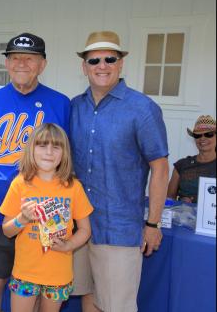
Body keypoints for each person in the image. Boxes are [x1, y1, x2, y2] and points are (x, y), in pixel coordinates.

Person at [0, 32, 70, 312]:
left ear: (43, 64)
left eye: (30, 58)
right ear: (7, 64)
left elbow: (69, 163)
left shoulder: (61, 104)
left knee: (36, 285)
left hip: (45, 211)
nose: (22, 63)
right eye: (15, 58)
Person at [70, 30, 169, 312]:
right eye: (94, 60)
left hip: (119, 230)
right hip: (78, 227)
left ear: (121, 63)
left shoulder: (143, 109)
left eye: (110, 58)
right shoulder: (74, 107)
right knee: (87, 296)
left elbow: (160, 169)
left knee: (116, 306)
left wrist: (153, 224)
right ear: (84, 66)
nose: (102, 65)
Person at [0, 123, 93, 312]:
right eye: (42, 145)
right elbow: (7, 230)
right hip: (25, 272)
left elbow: (85, 230)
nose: (49, 152)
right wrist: (22, 219)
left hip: (58, 274)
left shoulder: (73, 187)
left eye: (56, 147)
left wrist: (69, 245)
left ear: (64, 152)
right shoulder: (20, 184)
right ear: (31, 149)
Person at [167, 115, 216, 203]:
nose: (202, 138)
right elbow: (169, 198)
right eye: (197, 135)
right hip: (184, 215)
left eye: (209, 134)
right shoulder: (182, 165)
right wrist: (181, 203)